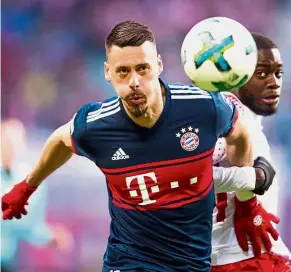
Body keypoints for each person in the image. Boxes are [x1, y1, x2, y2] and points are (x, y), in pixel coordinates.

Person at [1, 20, 254, 272]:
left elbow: (240, 132)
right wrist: (26, 187)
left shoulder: (204, 107)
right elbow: (61, 139)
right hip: (128, 262)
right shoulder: (96, 124)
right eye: (123, 71)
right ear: (107, 72)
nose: (134, 81)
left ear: (158, 65)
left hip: (191, 264)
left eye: (142, 68)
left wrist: (245, 205)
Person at [211, 33, 291, 272]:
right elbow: (188, 176)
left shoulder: (248, 120)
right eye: (262, 73)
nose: (274, 82)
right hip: (243, 257)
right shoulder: (224, 116)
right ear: (235, 75)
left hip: (243, 254)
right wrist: (252, 185)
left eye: (278, 73)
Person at [1, 119, 73, 272]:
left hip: (10, 259)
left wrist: (49, 237)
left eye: (14, 142)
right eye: (5, 141)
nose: (9, 147)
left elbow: (29, 226)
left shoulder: (32, 181)